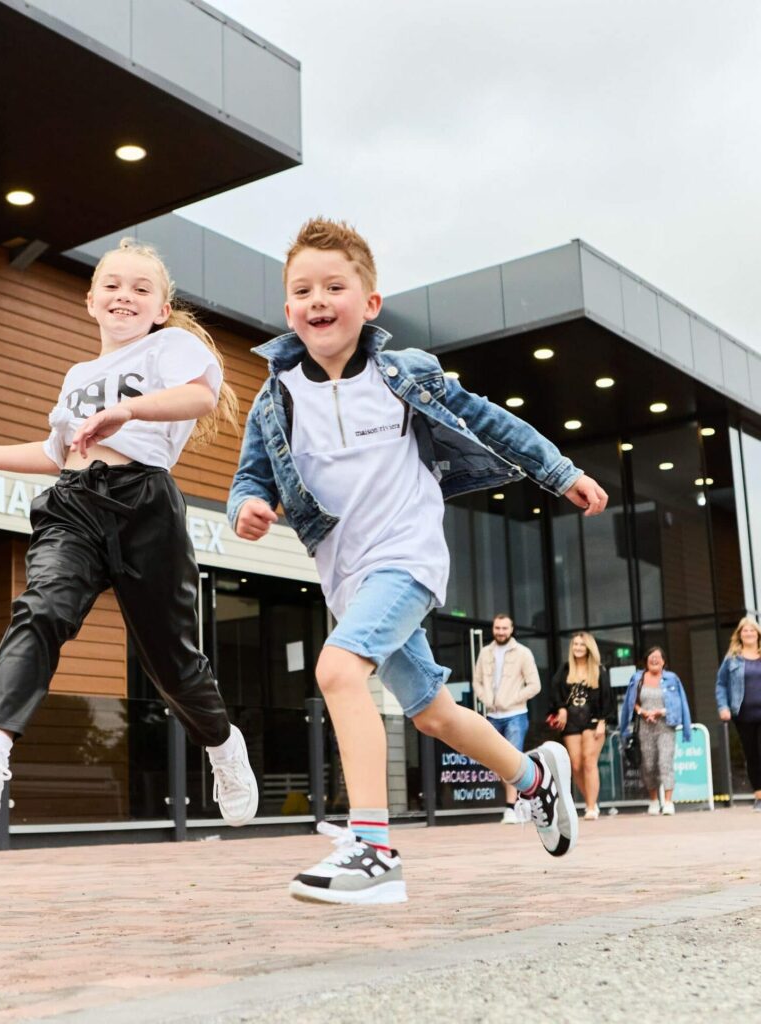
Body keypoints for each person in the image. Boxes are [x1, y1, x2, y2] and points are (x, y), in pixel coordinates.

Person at [227, 217, 609, 904]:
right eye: (303, 291)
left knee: (337, 669)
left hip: (407, 559)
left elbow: (488, 421)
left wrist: (559, 471)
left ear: (370, 303)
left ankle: (374, 851)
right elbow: (250, 477)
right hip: (346, 579)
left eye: (334, 287)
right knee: (432, 713)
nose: (318, 301)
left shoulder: (402, 374)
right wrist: (247, 508)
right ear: (288, 310)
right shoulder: (277, 396)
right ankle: (533, 780)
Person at [0, 239, 258, 829]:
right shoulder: (78, 374)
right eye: (112, 285)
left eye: (141, 288)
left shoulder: (170, 347)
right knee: (41, 608)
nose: (125, 295)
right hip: (73, 502)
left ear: (161, 308)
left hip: (144, 502)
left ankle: (224, 746)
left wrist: (128, 411)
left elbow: (200, 396)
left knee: (172, 662)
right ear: (91, 300)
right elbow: (57, 452)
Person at [472, 614, 542, 823]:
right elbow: (477, 681)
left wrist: (511, 699)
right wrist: (486, 699)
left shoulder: (523, 653)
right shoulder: (485, 652)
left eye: (504, 628)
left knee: (510, 761)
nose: (500, 632)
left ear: (511, 629)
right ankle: (525, 797)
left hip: (515, 715)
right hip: (492, 716)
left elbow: (535, 685)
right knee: (496, 763)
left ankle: (511, 807)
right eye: (497, 628)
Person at [619, 647, 692, 815]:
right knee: (648, 765)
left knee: (665, 762)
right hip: (644, 727)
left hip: (666, 726)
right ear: (646, 660)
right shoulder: (637, 678)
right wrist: (642, 712)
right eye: (651, 657)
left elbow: (679, 703)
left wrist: (661, 712)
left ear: (664, 661)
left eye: (658, 657)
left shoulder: (672, 678)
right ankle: (653, 800)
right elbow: (631, 701)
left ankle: (668, 802)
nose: (654, 659)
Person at [549, 632, 611, 820]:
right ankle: (591, 800)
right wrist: (561, 708)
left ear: (589, 648)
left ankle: (591, 807)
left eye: (582, 645)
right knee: (576, 765)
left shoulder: (599, 670)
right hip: (571, 722)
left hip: (593, 720)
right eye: (575, 644)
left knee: (589, 761)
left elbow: (606, 697)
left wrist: (602, 721)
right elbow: (555, 690)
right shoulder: (565, 669)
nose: (578, 648)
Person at [716, 617, 761, 812]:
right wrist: (723, 707)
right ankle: (759, 796)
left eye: (752, 630)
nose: (749, 633)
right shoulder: (732, 658)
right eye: (745, 630)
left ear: (758, 634)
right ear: (740, 635)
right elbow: (721, 684)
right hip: (743, 715)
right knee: (752, 755)